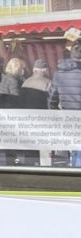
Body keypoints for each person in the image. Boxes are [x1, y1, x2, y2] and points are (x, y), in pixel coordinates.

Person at [48, 38, 81, 168]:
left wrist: (55, 114)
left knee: (75, 148)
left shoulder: (58, 74)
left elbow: (52, 98)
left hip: (69, 118)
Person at [0, 56, 28, 165]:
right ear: (17, 68)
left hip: (5, 111)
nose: (22, 71)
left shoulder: (5, 78)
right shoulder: (14, 80)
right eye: (21, 68)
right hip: (13, 112)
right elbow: (16, 96)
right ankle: (17, 160)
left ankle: (9, 160)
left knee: (8, 139)